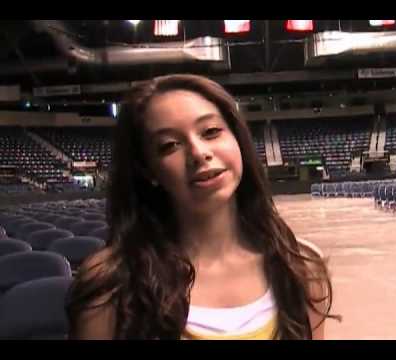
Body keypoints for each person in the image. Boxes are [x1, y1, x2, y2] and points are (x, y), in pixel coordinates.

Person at [66, 74, 339, 340]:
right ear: (147, 170)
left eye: (211, 132)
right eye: (169, 145)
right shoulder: (110, 282)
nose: (198, 153)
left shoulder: (301, 266)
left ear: (238, 140)